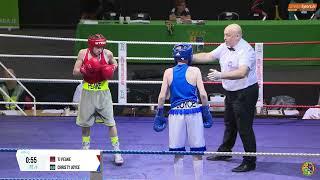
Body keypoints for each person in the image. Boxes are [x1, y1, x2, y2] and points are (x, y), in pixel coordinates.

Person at [192, 24, 259, 172]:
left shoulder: (246, 50)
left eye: (228, 35)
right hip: (231, 91)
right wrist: (188, 57)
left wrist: (220, 75)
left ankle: (250, 161)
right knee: (229, 123)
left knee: (244, 128)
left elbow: (242, 72)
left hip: (245, 92)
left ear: (237, 36)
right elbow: (209, 55)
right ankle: (225, 151)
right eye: (224, 34)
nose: (224, 38)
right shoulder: (224, 46)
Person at [153, 44, 213, 180]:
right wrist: (206, 112)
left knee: (178, 152)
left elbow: (162, 96)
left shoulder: (168, 72)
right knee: (197, 152)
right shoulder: (195, 70)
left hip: (176, 113)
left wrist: (159, 114)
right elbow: (203, 95)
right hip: (194, 111)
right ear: (190, 57)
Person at [72, 33, 124, 165]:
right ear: (91, 45)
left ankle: (117, 151)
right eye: (97, 47)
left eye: (101, 47)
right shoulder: (83, 53)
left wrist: (111, 68)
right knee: (85, 123)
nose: (99, 50)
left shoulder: (108, 54)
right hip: (87, 93)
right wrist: (85, 69)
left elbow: (115, 63)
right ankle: (85, 149)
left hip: (103, 93)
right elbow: (75, 71)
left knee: (111, 123)